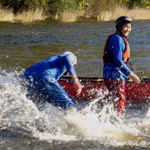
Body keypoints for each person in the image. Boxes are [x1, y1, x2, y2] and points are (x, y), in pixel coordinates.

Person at [102, 16, 141, 114]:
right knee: (120, 103)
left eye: (130, 27)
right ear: (119, 27)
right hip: (116, 77)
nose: (128, 29)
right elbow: (118, 60)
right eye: (126, 26)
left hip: (110, 76)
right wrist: (131, 74)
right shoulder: (118, 39)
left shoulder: (117, 38)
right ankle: (118, 124)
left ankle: (110, 121)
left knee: (112, 102)